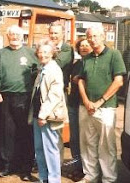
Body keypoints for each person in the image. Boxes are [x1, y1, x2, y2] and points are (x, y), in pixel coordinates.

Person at [77, 26, 126, 183]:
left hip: (105, 109)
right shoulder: (87, 58)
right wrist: (86, 101)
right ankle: (90, 176)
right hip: (86, 108)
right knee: (87, 143)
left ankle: (108, 179)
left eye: (95, 36)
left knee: (106, 146)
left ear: (103, 36)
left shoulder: (114, 54)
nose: (92, 39)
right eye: (89, 36)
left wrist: (99, 102)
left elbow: (118, 81)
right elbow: (80, 80)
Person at [0, 25, 37, 181]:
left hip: (25, 97)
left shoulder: (31, 53)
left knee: (25, 133)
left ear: (22, 36)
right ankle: (7, 166)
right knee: (7, 133)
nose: (15, 37)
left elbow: (40, 71)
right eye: (12, 34)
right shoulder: (1, 53)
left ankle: (25, 169)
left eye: (18, 34)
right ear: (7, 36)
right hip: (6, 97)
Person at [29, 39, 69, 183]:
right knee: (39, 150)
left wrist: (42, 115)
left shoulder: (54, 70)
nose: (42, 54)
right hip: (37, 115)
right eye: (40, 52)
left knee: (51, 150)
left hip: (47, 117)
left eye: (46, 52)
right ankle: (43, 178)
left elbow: (54, 95)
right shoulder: (42, 69)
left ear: (52, 53)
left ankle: (54, 180)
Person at [62, 38, 93, 180]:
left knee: (88, 139)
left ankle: (88, 169)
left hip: (87, 106)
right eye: (82, 46)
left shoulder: (93, 62)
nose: (85, 48)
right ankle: (77, 166)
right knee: (74, 138)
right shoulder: (76, 64)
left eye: (87, 45)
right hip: (74, 104)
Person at [49, 21, 74, 165]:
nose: (53, 36)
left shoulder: (66, 49)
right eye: (51, 33)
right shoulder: (50, 47)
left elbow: (56, 64)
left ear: (62, 34)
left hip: (58, 94)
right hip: (45, 93)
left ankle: (56, 163)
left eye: (56, 33)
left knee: (57, 128)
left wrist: (45, 53)